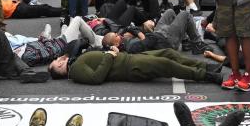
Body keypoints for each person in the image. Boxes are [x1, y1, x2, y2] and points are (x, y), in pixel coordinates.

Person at [52, 45, 223, 86]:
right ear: (61, 72)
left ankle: (207, 67)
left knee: (168, 53)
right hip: (131, 67)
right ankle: (206, 76)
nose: (60, 61)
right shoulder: (74, 71)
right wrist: (110, 56)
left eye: (58, 59)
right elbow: (97, 78)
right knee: (166, 64)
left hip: (130, 58)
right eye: (57, 65)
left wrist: (110, 50)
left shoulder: (75, 60)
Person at [122, 9, 204, 54]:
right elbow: (147, 43)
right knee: (185, 14)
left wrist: (135, 31)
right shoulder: (129, 46)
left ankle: (185, 41)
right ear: (115, 43)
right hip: (166, 41)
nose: (117, 35)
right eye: (115, 36)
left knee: (170, 12)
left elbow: (129, 28)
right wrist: (141, 35)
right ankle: (198, 44)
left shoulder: (122, 35)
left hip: (157, 34)